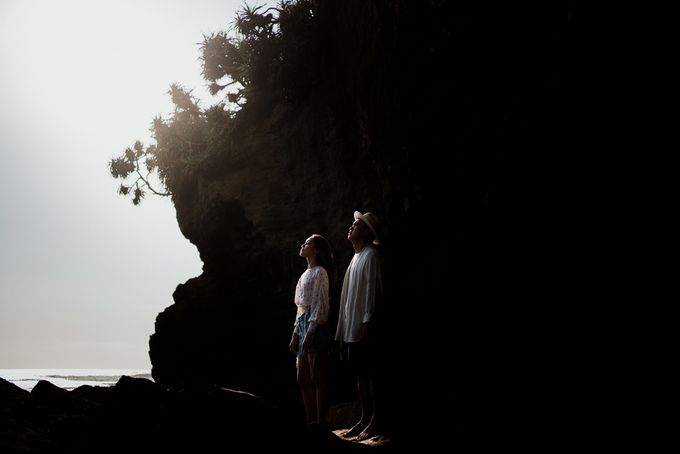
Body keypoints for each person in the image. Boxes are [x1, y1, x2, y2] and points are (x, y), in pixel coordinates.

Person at [335, 211, 383, 441]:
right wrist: (344, 329)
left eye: (356, 225)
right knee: (360, 375)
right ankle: (364, 417)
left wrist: (367, 321)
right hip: (352, 327)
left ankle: (376, 419)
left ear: (366, 231)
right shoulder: (355, 258)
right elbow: (347, 299)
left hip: (364, 326)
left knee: (372, 374)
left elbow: (372, 291)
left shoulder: (371, 255)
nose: (351, 227)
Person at [289, 234, 334, 428]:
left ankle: (320, 422)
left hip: (315, 325)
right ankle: (310, 420)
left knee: (317, 376)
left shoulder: (320, 272)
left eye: (307, 243)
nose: (303, 244)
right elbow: (301, 307)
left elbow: (320, 304)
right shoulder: (304, 274)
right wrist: (295, 332)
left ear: (316, 250)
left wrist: (310, 332)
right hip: (302, 323)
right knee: (302, 377)